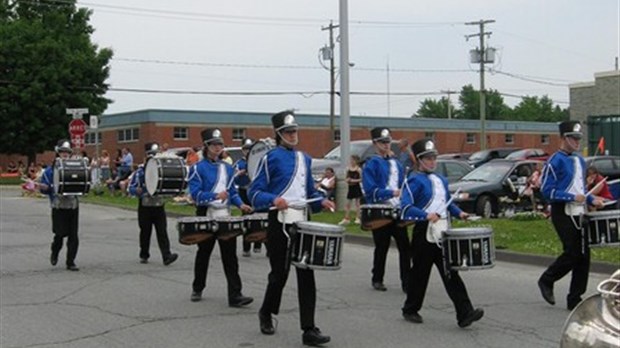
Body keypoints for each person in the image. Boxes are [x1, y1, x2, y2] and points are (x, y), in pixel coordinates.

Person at [249, 110, 335, 346]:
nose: (293, 135)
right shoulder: (270, 158)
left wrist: (321, 200)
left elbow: (308, 192)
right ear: (278, 134)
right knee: (279, 274)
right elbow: (254, 192)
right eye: (288, 131)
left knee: (307, 273)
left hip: (302, 221)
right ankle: (266, 312)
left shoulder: (305, 159)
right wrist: (273, 199)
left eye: (295, 131)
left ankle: (309, 329)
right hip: (280, 222)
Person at [400, 138, 484, 328]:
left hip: (443, 232)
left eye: (434, 158)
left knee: (451, 273)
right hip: (424, 231)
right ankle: (410, 309)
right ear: (419, 160)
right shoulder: (413, 181)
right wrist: (425, 215)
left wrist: (459, 213)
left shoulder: (441, 180)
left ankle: (465, 313)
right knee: (420, 274)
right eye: (428, 158)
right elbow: (405, 208)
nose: (432, 161)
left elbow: (447, 203)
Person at [538, 121, 604, 311]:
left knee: (584, 256)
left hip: (579, 212)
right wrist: (571, 196)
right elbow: (546, 191)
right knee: (572, 253)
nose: (576, 142)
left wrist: (591, 199)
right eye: (572, 138)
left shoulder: (579, 161)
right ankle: (546, 280)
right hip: (562, 212)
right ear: (563, 138)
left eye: (578, 138)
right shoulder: (554, 161)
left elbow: (581, 189)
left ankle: (574, 298)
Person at [187, 128, 254, 307]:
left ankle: (235, 295)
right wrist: (215, 196)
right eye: (214, 145)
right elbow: (195, 195)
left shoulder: (227, 168)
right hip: (206, 216)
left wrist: (240, 205)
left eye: (220, 144)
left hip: (225, 217)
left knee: (230, 257)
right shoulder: (197, 168)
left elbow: (232, 192)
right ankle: (198, 287)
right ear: (206, 146)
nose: (218, 148)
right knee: (204, 254)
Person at [362, 127, 410, 292]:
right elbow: (370, 191)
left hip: (397, 210)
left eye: (388, 142)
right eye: (382, 142)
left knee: (405, 246)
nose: (386, 145)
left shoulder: (396, 163)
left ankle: (407, 281)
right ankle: (377, 278)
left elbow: (403, 184)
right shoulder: (372, 163)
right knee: (381, 246)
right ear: (375, 143)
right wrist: (392, 192)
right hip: (380, 210)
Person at [128, 143, 179, 266]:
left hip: (158, 205)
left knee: (162, 231)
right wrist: (137, 191)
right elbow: (131, 188)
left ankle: (166, 255)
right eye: (151, 155)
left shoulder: (161, 171)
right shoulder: (140, 172)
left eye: (155, 155)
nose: (153, 158)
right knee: (145, 231)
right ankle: (144, 254)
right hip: (145, 205)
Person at [39, 140, 81, 271]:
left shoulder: (76, 168)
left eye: (67, 152)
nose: (65, 154)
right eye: (62, 152)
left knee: (73, 236)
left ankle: (70, 261)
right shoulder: (50, 171)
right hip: (58, 205)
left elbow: (83, 182)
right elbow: (43, 188)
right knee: (60, 234)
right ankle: (55, 251)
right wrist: (45, 188)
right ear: (58, 153)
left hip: (73, 205)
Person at [235, 138, 263, 257]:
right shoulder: (239, 163)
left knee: (259, 218)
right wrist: (239, 174)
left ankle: (258, 243)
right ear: (242, 150)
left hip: (256, 192)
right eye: (246, 149)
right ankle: (246, 247)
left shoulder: (258, 161)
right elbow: (233, 179)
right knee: (246, 219)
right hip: (244, 191)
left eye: (250, 149)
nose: (248, 151)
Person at [339, 155, 363, 225]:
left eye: (353, 160)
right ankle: (346, 218)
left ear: (356, 161)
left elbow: (362, 179)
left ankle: (358, 218)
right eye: (351, 160)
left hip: (356, 187)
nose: (351, 161)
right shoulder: (348, 169)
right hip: (350, 187)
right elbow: (346, 178)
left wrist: (354, 180)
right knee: (348, 204)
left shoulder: (358, 169)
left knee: (357, 203)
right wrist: (347, 180)